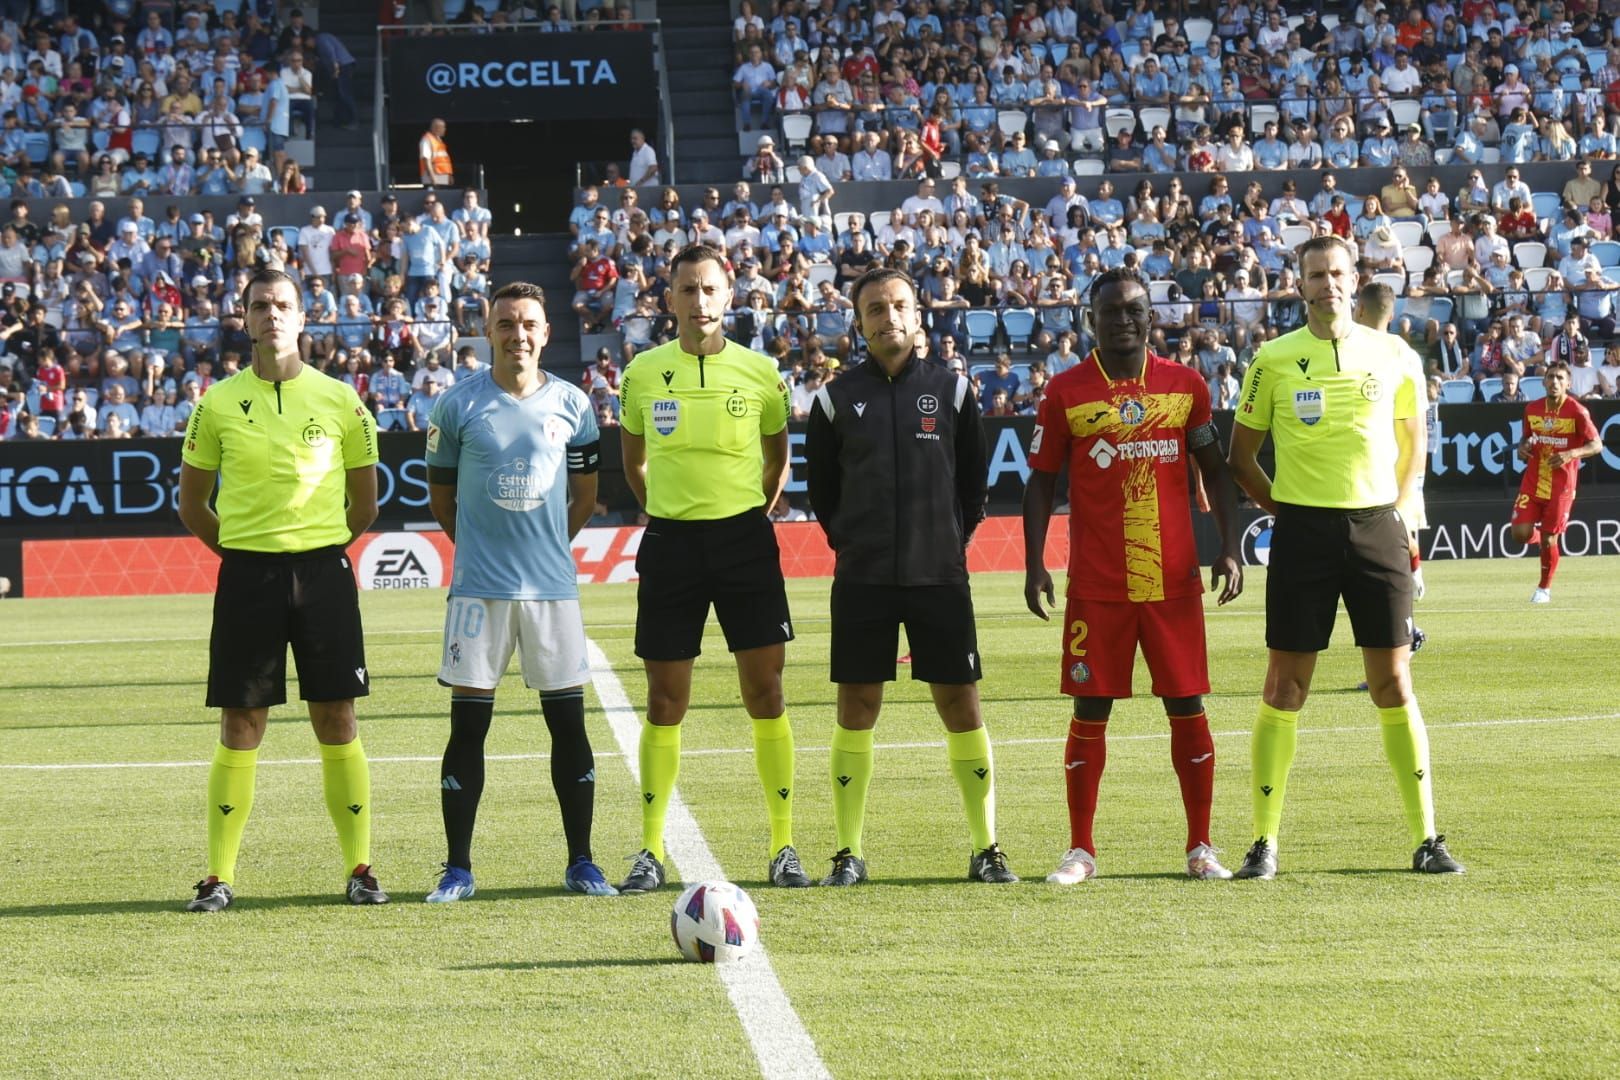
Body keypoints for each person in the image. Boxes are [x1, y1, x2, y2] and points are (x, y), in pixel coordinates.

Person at [1226, 236, 1465, 880]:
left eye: (1337, 273)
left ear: (1352, 279)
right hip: (1303, 533)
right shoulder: (1271, 359)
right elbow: (1240, 458)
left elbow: (1414, 441)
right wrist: (1285, 513)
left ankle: (1427, 837)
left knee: (1393, 683)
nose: (1327, 283)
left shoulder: (1393, 354)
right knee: (1285, 687)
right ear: (1299, 284)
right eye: (1315, 274)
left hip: (1377, 529)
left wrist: (1401, 509)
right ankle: (1264, 843)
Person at [1022, 267, 1244, 884]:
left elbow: (1215, 469)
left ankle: (1201, 846)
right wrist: (1034, 560)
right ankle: (1081, 849)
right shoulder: (1065, 392)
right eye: (1111, 311)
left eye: (1135, 310)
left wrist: (1229, 546)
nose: (1124, 320)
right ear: (1091, 318)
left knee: (1187, 704)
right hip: (1097, 583)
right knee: (1090, 709)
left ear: (1152, 317)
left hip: (1172, 581)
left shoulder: (1186, 386)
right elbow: (1041, 480)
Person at [176, 268, 385, 912]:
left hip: (324, 574)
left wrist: (316, 547)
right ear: (244, 319)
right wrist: (244, 551)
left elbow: (365, 505)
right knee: (242, 721)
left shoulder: (343, 400)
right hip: (247, 576)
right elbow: (191, 505)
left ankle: (360, 868)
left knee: (337, 716)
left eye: (284, 305)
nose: (273, 315)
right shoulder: (213, 404)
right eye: (261, 305)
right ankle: (218, 876)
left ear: (303, 316)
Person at [803, 267, 1017, 887]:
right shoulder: (834, 398)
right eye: (874, 309)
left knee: (961, 704)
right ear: (860, 323)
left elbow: (974, 485)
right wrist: (854, 543)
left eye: (897, 305)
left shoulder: (951, 391)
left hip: (939, 578)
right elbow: (823, 493)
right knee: (857, 706)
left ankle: (986, 847)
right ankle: (848, 852)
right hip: (863, 579)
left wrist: (947, 543)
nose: (886, 316)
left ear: (917, 316)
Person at [615, 243, 806, 893]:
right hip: (671, 545)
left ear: (730, 297)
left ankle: (783, 845)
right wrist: (666, 514)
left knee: (766, 695)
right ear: (669, 301)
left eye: (710, 290)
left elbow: (777, 456)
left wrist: (750, 514)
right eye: (687, 291)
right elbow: (632, 462)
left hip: (745, 544)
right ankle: (649, 850)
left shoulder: (761, 374)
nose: (699, 302)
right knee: (666, 701)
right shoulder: (642, 373)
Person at [422, 282, 616, 902]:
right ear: (490, 329)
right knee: (468, 729)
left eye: (529, 323)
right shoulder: (456, 406)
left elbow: (584, 498)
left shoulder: (573, 404)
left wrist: (549, 544)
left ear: (545, 331)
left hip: (551, 592)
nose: (518, 334)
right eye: (506, 324)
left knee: (568, 726)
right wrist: (480, 546)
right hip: (479, 591)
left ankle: (582, 862)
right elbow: (443, 497)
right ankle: (458, 868)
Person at [1510, 361, 1603, 603]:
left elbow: (1597, 445)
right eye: (1551, 377)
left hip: (1561, 486)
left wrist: (1571, 453)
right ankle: (1543, 538)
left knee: (1551, 539)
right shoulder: (1532, 409)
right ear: (1543, 381)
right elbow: (1527, 438)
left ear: (1568, 383)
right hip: (1533, 479)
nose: (1555, 382)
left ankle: (1544, 589)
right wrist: (1523, 448)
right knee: (1520, 533)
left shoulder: (1577, 411)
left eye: (1560, 378)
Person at [419, 117, 454, 187]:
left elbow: (444, 161)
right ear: (435, 128)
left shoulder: (438, 140)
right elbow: (426, 160)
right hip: (433, 179)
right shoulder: (427, 140)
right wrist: (432, 178)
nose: (444, 129)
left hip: (442, 178)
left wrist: (449, 176)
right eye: (442, 127)